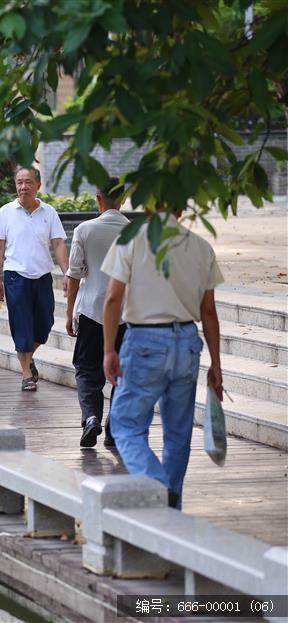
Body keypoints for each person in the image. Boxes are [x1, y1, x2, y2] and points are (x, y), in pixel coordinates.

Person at [102, 206, 224, 510]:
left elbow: (113, 298)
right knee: (178, 433)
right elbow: (208, 311)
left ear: (146, 206)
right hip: (187, 341)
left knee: (125, 423)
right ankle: (171, 504)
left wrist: (108, 350)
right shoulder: (200, 246)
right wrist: (217, 364)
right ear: (182, 207)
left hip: (144, 340)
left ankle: (157, 486)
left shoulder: (131, 240)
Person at [0, 166, 69, 391]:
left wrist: (67, 273)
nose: (23, 187)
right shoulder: (5, 212)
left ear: (38, 185)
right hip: (15, 275)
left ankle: (28, 358)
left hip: (43, 275)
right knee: (22, 325)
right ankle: (26, 373)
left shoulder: (49, 212)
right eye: (19, 182)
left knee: (45, 323)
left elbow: (58, 244)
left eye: (28, 182)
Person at [65, 178, 129, 448]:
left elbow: (74, 276)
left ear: (98, 199)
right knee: (121, 373)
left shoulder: (85, 230)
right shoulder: (135, 232)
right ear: (123, 200)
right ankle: (114, 425)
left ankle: (91, 416)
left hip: (91, 311)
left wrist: (69, 314)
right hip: (126, 314)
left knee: (86, 369)